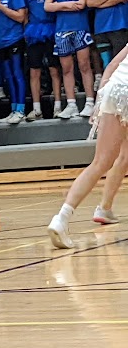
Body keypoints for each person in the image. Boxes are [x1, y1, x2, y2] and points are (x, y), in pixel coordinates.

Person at [47, 41, 128, 248]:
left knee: (102, 162)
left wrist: (98, 104)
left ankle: (62, 218)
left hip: (114, 88)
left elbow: (111, 67)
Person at [45, 0, 96, 120]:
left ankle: (90, 102)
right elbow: (47, 6)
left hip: (80, 26)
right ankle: (71, 104)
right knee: (66, 68)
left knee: (84, 65)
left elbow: (81, 4)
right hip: (61, 30)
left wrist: (58, 6)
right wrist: (67, 5)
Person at [23, 0, 63, 120]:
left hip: (51, 30)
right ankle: (37, 109)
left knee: (54, 69)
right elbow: (25, 14)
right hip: (33, 32)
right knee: (34, 71)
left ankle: (58, 106)